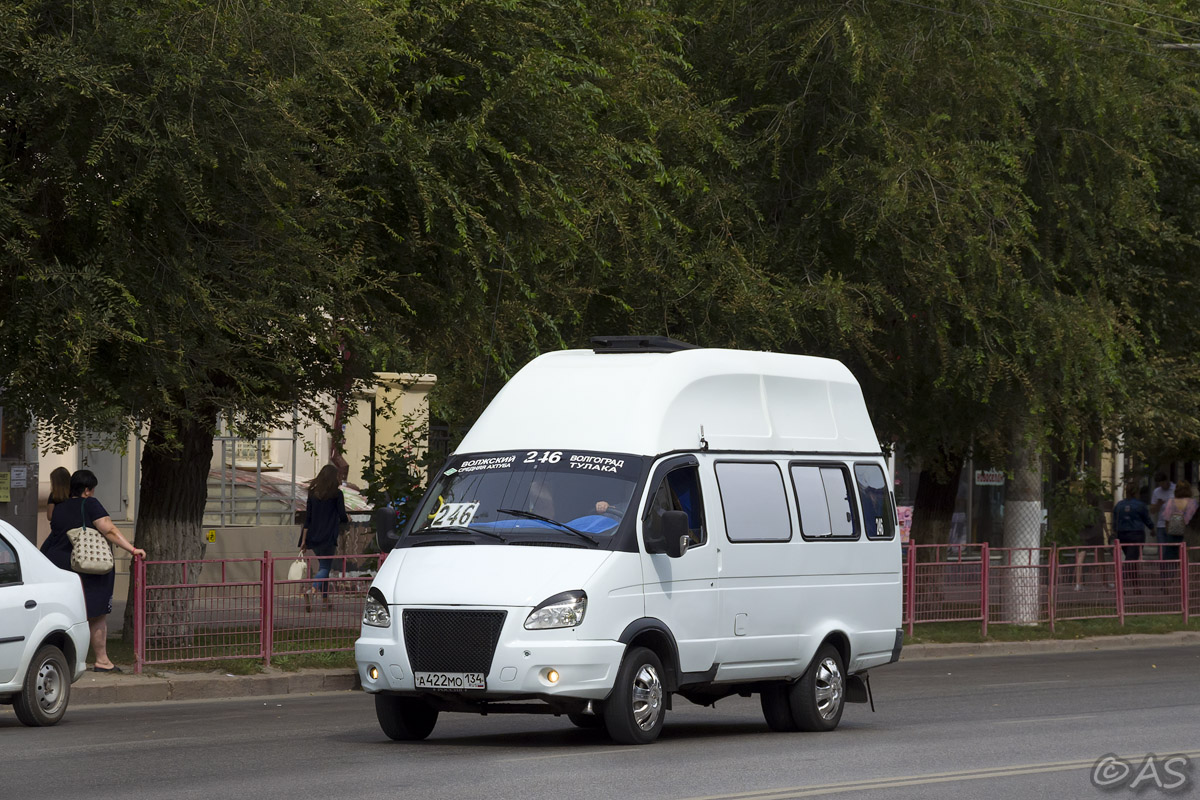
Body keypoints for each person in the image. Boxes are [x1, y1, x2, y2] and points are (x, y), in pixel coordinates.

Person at [40, 469, 145, 672]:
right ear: (87, 490)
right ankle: (102, 660)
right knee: (97, 615)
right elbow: (108, 529)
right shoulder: (89, 504)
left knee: (66, 615)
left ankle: (61, 660)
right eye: (93, 489)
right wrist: (133, 549)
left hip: (59, 567)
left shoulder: (60, 508)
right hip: (89, 569)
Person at [298, 464, 347, 612]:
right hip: (328, 536)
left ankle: (325, 599)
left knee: (323, 567)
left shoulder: (312, 494)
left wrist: (304, 540)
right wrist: (346, 520)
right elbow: (342, 515)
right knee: (325, 567)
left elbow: (308, 518)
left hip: (313, 536)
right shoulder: (336, 494)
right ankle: (311, 591)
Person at [1112, 480, 1153, 588]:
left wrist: (1114, 531)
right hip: (1136, 534)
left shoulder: (1119, 505)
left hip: (1122, 534)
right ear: (1136, 492)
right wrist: (1152, 529)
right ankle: (1121, 582)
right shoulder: (1140, 505)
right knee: (1131, 559)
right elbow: (1146, 519)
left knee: (1131, 559)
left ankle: (1135, 585)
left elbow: (1115, 520)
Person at [1156, 480, 1196, 583]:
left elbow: (1166, 520)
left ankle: (1167, 582)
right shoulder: (1193, 503)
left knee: (1171, 559)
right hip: (1189, 534)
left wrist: (1169, 531)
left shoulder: (1171, 502)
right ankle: (1186, 581)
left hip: (1173, 533)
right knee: (1188, 559)